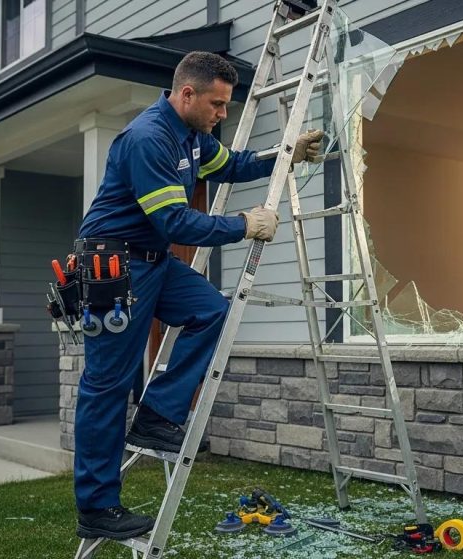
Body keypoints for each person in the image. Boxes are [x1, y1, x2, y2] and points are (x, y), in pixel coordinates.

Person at [72, 51, 324, 541]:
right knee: (106, 386)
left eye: (226, 105)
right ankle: (97, 506)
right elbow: (173, 221)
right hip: (113, 267)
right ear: (187, 93)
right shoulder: (149, 138)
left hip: (151, 261)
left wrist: (285, 153)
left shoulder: (192, 137)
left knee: (211, 310)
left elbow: (233, 165)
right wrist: (243, 225)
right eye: (217, 104)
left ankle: (157, 415)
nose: (222, 114)